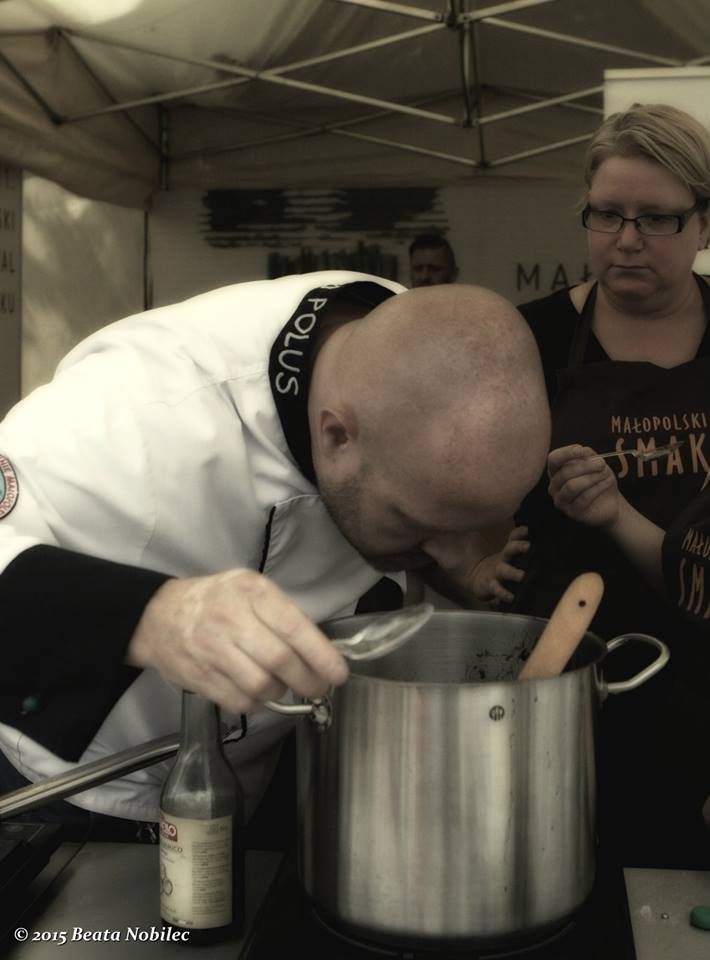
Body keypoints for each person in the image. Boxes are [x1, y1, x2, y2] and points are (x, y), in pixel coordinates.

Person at [0, 270, 550, 838]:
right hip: (81, 785)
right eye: (414, 521)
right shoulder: (125, 415)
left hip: (259, 773)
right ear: (335, 435)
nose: (447, 549)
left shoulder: (416, 348)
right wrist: (155, 615)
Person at [470, 103, 710, 868]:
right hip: (559, 674)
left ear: (705, 225)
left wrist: (615, 511)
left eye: (657, 218)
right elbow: (444, 477)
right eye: (607, 214)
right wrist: (465, 558)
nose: (627, 239)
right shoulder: (527, 338)